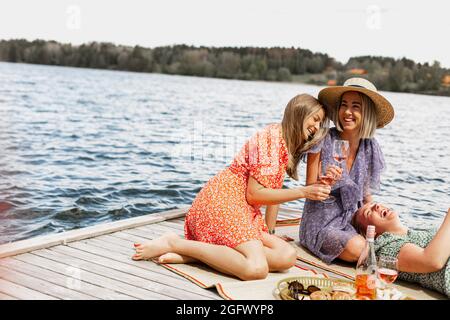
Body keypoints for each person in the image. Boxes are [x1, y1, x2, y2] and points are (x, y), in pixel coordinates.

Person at [132, 94, 332, 281]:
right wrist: (303, 192)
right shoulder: (271, 139)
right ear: (299, 113)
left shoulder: (283, 140)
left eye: (320, 122)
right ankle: (174, 243)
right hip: (223, 202)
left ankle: (196, 255)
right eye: (314, 119)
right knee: (256, 269)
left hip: (242, 210)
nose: (316, 126)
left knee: (286, 256)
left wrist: (270, 232)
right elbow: (254, 195)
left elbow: (275, 189)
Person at [299, 77, 395, 264]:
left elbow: (365, 194)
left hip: (353, 222)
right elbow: (309, 189)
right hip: (321, 222)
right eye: (344, 105)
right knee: (359, 248)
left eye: (356, 106)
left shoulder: (370, 146)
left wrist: (375, 220)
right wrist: (325, 183)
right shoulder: (323, 138)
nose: (348, 112)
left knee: (390, 236)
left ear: (366, 112)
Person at [352, 202, 450, 298]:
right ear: (371, 232)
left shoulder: (413, 234)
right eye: (368, 213)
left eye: (374, 204)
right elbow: (432, 261)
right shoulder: (387, 247)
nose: (377, 206)